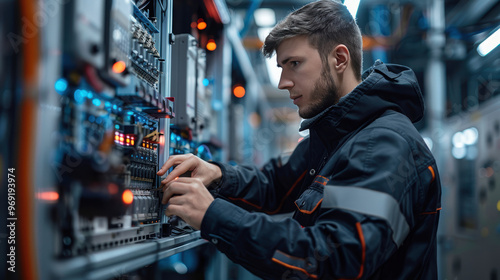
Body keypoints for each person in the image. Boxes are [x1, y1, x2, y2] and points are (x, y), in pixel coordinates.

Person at [157, 0, 441, 278]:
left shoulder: (383, 145)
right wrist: (216, 174)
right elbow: (275, 185)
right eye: (281, 67)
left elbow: (333, 259)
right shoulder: (334, 137)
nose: (283, 82)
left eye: (295, 63)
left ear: (339, 59)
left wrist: (213, 216)